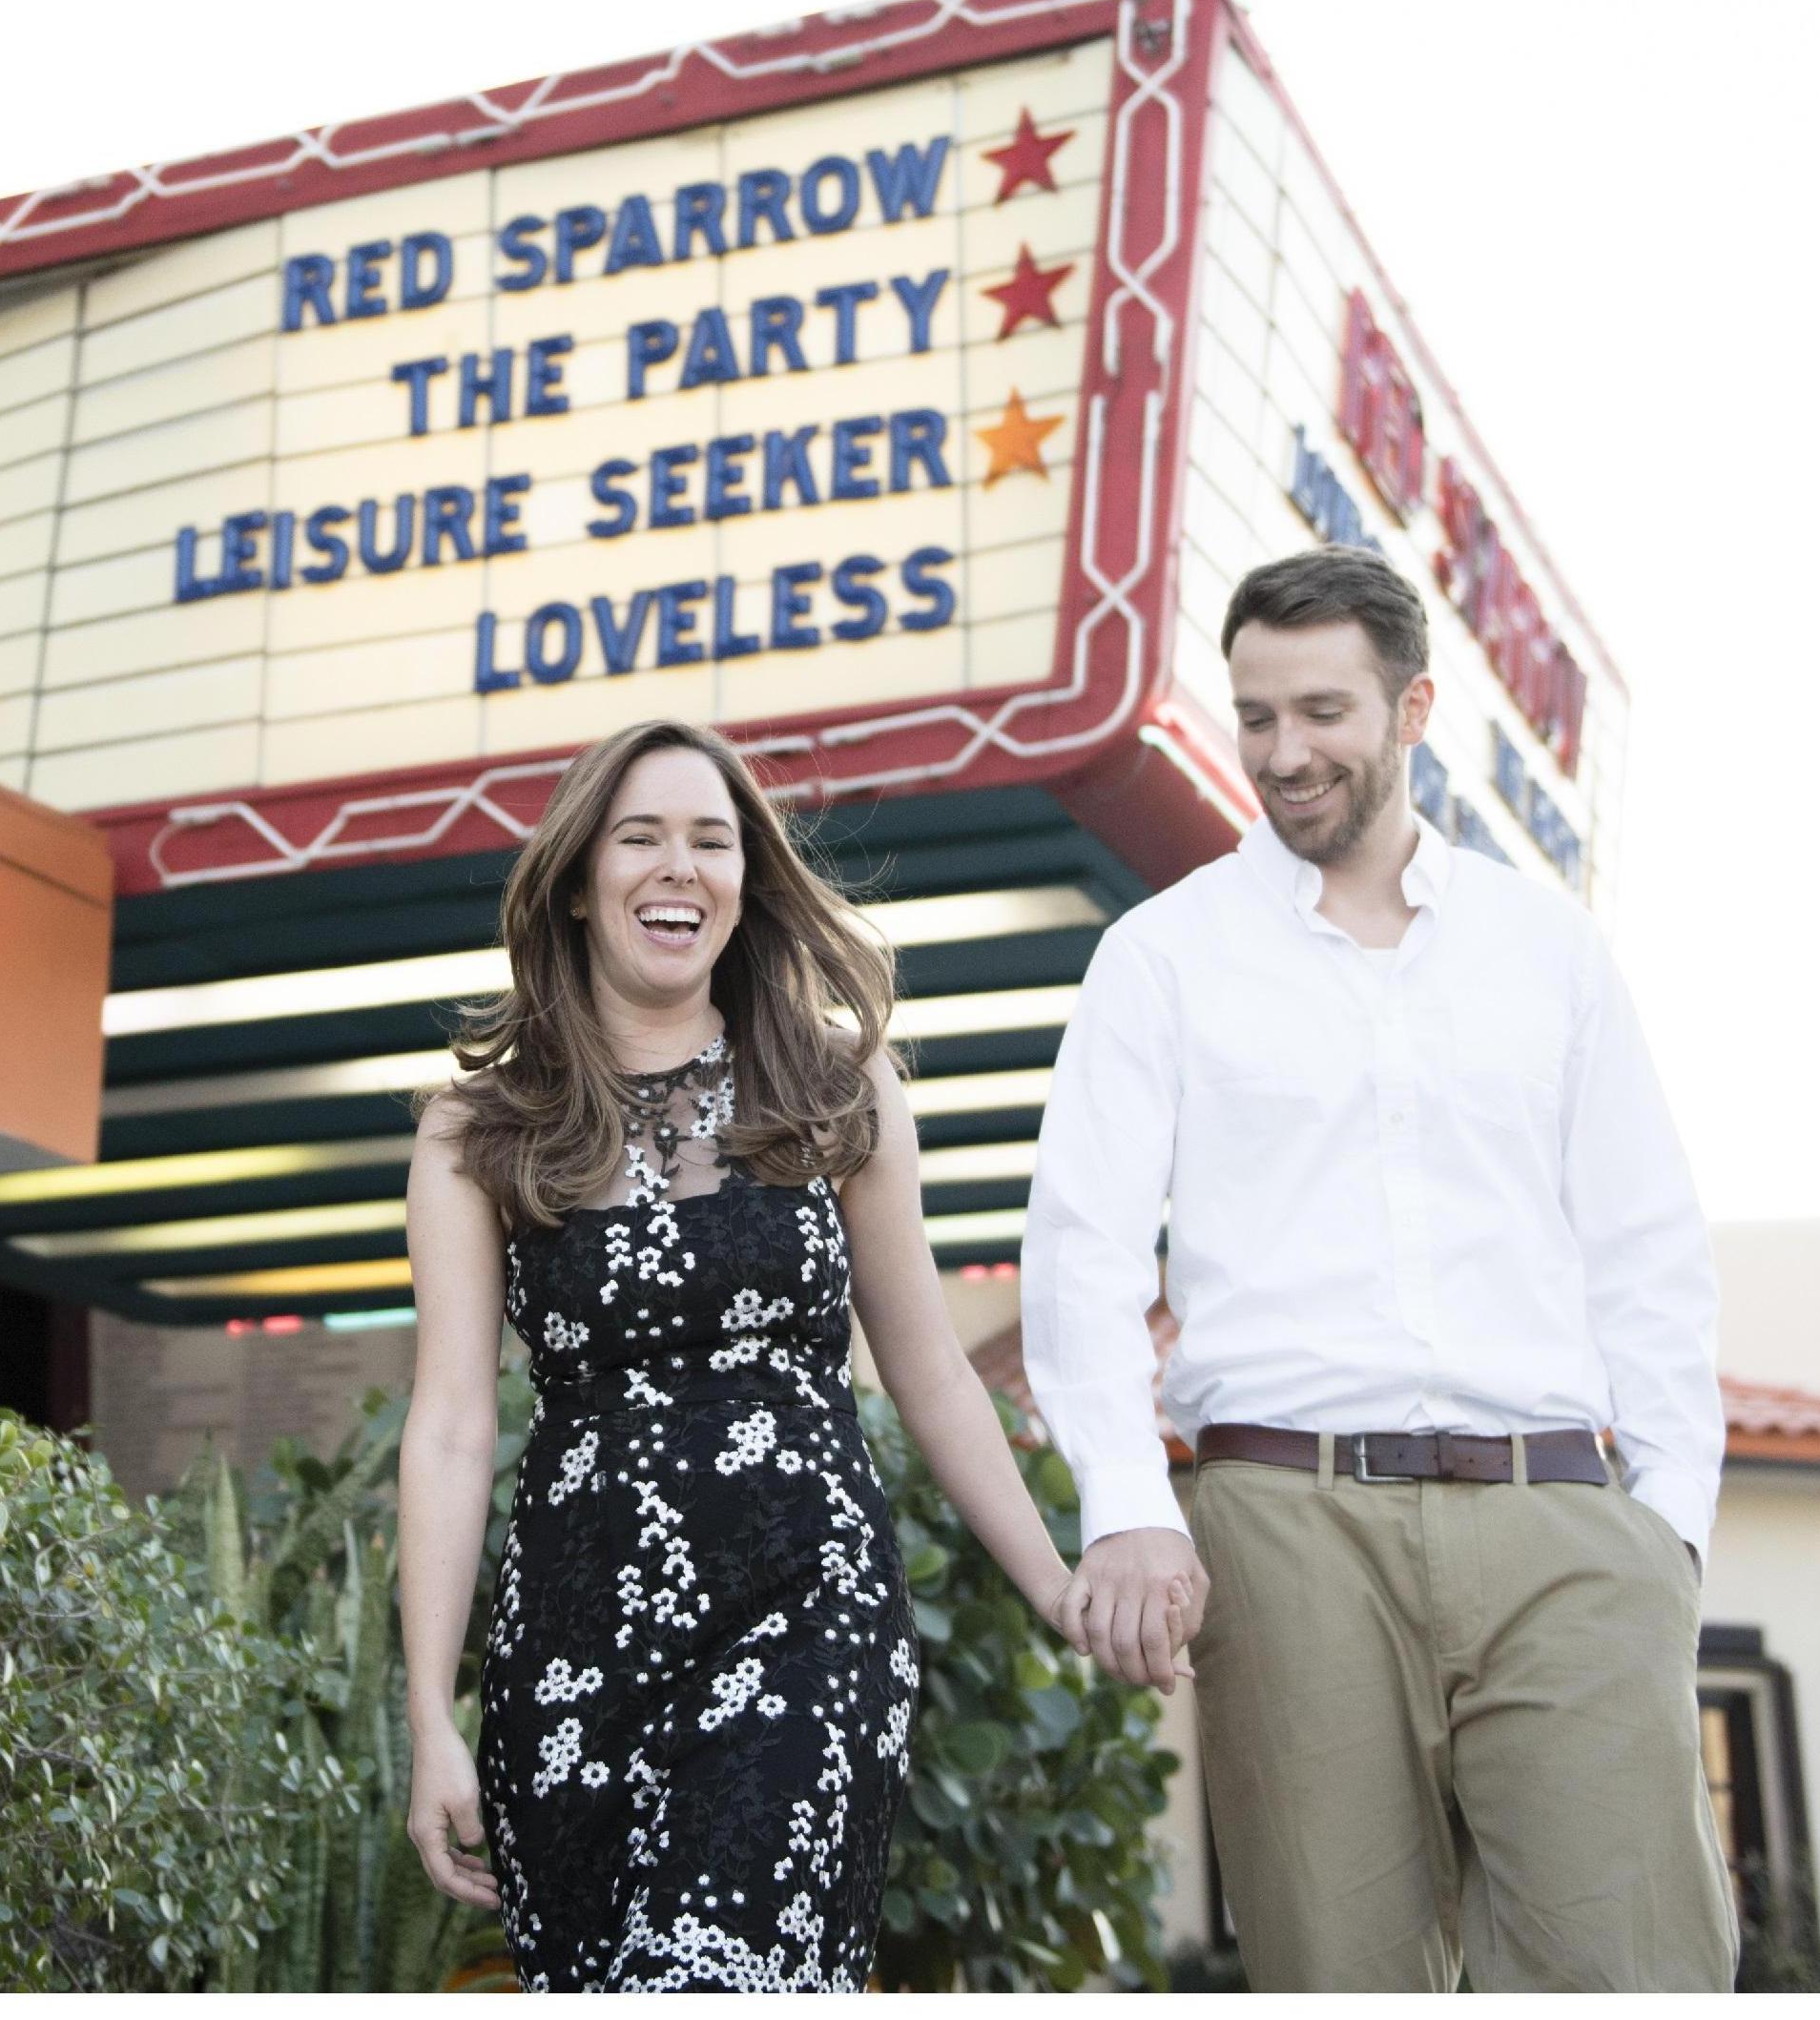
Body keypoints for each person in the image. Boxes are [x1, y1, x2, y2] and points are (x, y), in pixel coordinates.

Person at [1022, 546, 1737, 1992]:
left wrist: (1667, 1530)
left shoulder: (1547, 950)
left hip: (1562, 1520)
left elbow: (1643, 1243)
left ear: (1412, 708)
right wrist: (1126, 1503)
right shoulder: (1160, 957)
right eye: (1257, 715)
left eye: (1322, 712)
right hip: (1287, 1522)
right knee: (1341, 1973)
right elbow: (1080, 1249)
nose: (1284, 753)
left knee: (1636, 1968)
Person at [397, 717, 1095, 1992]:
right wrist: (430, 1715)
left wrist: (1053, 1583)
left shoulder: (838, 1085)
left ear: (744, 882)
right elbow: (449, 1426)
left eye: (711, 841)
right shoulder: (475, 1129)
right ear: (574, 879)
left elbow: (932, 1368)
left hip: (805, 1611)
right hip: (575, 1648)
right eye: (641, 837)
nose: (680, 867)